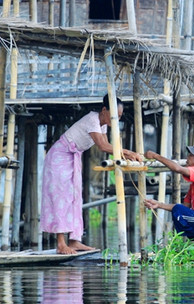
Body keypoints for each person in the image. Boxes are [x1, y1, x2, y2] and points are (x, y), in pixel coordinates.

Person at [41, 94, 142, 254]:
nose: (116, 120)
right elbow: (103, 146)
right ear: (104, 110)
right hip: (59, 156)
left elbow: (108, 145)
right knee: (62, 197)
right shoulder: (92, 120)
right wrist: (128, 152)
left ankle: (74, 241)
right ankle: (61, 243)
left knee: (75, 197)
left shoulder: (103, 124)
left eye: (120, 117)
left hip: (72, 157)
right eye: (115, 115)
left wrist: (126, 155)